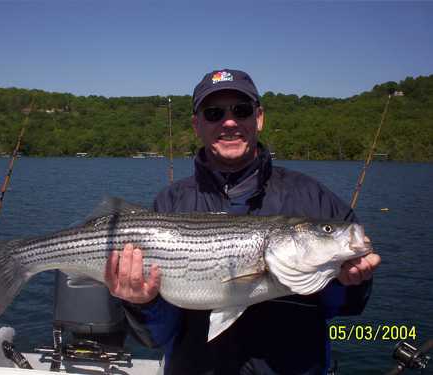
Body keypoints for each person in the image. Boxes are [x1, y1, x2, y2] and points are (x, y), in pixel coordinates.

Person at [104, 69, 381, 375]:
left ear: (258, 118)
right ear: (197, 125)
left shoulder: (314, 198)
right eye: (214, 113)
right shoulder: (170, 202)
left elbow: (348, 307)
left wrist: (350, 283)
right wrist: (142, 304)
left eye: (242, 110)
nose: (230, 121)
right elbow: (156, 337)